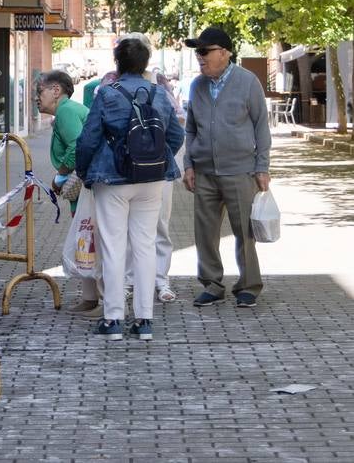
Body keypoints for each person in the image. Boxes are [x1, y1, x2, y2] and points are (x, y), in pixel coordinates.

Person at [75, 37, 185, 341]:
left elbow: (89, 138)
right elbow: (177, 134)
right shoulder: (159, 94)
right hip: (152, 180)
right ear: (145, 63)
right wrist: (155, 158)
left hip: (112, 179)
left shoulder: (107, 94)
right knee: (145, 245)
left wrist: (84, 171)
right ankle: (145, 320)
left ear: (117, 63)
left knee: (113, 247)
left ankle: (113, 320)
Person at [181, 26, 271, 308]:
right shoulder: (197, 85)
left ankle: (248, 285)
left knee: (245, 232)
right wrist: (188, 164)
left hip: (240, 171)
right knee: (204, 233)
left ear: (224, 53)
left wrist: (262, 167)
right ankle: (212, 284)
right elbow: (191, 130)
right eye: (198, 52)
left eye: (204, 51)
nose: (200, 57)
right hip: (205, 172)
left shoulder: (248, 82)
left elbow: (261, 127)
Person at [37, 70, 96, 313]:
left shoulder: (67, 111)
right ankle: (91, 297)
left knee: (88, 238)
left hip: (85, 187)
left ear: (56, 90)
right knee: (87, 238)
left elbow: (77, 145)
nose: (36, 97)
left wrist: (60, 176)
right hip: (86, 186)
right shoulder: (67, 111)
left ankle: (97, 298)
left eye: (40, 91)